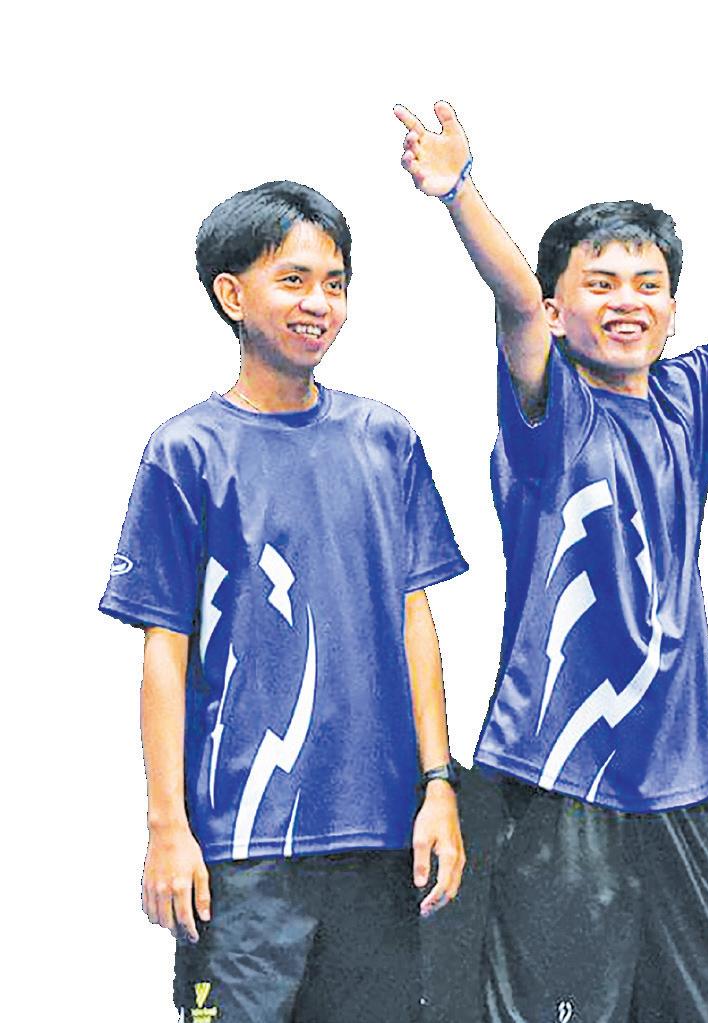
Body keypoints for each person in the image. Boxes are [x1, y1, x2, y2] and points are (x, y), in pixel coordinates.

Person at [395, 12, 708, 1022]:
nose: (627, 301)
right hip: (557, 783)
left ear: (672, 308)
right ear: (559, 311)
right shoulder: (548, 412)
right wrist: (460, 192)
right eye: (599, 284)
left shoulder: (691, 402)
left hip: (680, 785)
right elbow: (511, 297)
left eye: (649, 286)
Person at [99, 180, 468, 1023]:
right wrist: (167, 825)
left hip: (382, 842)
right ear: (232, 294)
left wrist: (439, 786)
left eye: (335, 283)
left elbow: (416, 620)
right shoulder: (186, 451)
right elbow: (164, 649)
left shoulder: (386, 439)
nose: (319, 303)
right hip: (241, 850)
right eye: (293, 280)